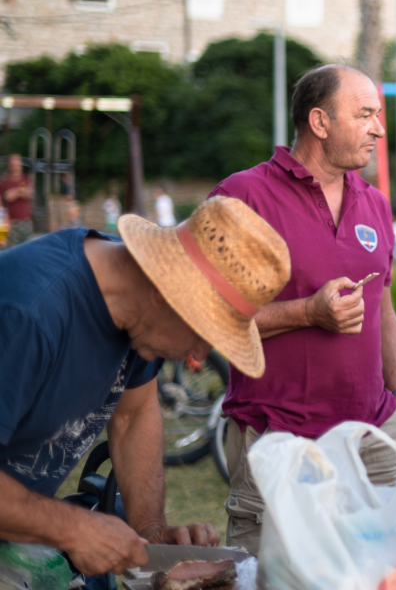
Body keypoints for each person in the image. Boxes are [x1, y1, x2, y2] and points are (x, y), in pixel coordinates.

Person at [0, 196, 290, 579]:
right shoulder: (27, 313)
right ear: (164, 293)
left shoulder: (137, 309)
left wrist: (150, 530)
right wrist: (74, 528)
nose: (200, 355)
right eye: (204, 333)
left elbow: (134, 415)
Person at [208, 64, 396, 554]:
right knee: (271, 579)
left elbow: (382, 306)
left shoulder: (376, 204)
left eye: (378, 115)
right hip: (279, 439)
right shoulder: (242, 197)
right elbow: (209, 319)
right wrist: (307, 314)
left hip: (371, 437)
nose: (379, 129)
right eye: (364, 115)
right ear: (319, 122)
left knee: (383, 574)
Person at [0, 153, 32, 247]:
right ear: (9, 166)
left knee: (26, 251)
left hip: (26, 222)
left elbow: (28, 193)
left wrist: (15, 192)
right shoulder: (4, 182)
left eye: (18, 164)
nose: (16, 167)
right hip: (10, 223)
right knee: (9, 251)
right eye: (13, 165)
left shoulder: (26, 179)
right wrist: (3, 222)